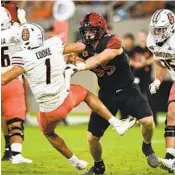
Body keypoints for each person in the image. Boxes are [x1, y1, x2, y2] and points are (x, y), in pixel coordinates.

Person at [1, 23, 136, 170]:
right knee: (85, 93)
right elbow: (80, 47)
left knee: (49, 133)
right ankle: (117, 123)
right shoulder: (53, 44)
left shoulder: (23, 56)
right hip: (66, 97)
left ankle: (75, 161)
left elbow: (4, 79)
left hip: (49, 110)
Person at [73, 13, 159, 174]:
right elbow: (71, 54)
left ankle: (147, 146)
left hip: (128, 89)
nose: (88, 35)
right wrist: (69, 62)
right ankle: (98, 166)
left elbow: (100, 58)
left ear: (101, 29)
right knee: (92, 138)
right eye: (85, 31)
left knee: (148, 121)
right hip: (106, 94)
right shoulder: (82, 45)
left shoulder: (113, 41)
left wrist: (79, 66)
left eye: (92, 31)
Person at [1, 6, 32, 164]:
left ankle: (7, 149)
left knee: (2, 116)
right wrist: (22, 19)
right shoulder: (14, 31)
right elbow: (28, 37)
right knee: (14, 119)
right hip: (11, 78)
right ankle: (15, 153)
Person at [147, 9, 175, 173]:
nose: (157, 33)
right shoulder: (152, 40)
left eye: (161, 29)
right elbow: (159, 61)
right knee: (171, 115)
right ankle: (171, 159)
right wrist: (157, 81)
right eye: (155, 29)